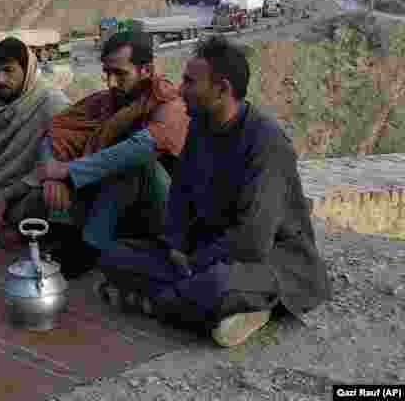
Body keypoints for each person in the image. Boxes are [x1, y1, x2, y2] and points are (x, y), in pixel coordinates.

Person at [96, 35, 332, 347]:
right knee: (114, 256)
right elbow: (180, 196)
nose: (181, 90)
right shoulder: (199, 126)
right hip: (204, 251)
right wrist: (175, 247)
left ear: (222, 90)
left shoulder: (267, 142)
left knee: (217, 285)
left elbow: (253, 239)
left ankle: (184, 302)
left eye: (190, 82)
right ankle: (213, 309)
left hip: (271, 261)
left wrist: (194, 263)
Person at [33, 29, 190, 278]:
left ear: (146, 71)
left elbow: (141, 147)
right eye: (107, 73)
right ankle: (81, 235)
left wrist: (68, 171)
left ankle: (88, 248)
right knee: (26, 211)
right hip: (118, 207)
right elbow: (56, 130)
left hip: (165, 212)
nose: (111, 83)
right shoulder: (109, 100)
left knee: (133, 162)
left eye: (120, 74)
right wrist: (52, 174)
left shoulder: (170, 104)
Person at [0, 37, 70, 245]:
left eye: (8, 71)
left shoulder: (52, 103)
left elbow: (60, 162)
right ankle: (2, 225)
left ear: (27, 71)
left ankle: (13, 227)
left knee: (45, 197)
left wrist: (6, 195)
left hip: (25, 191)